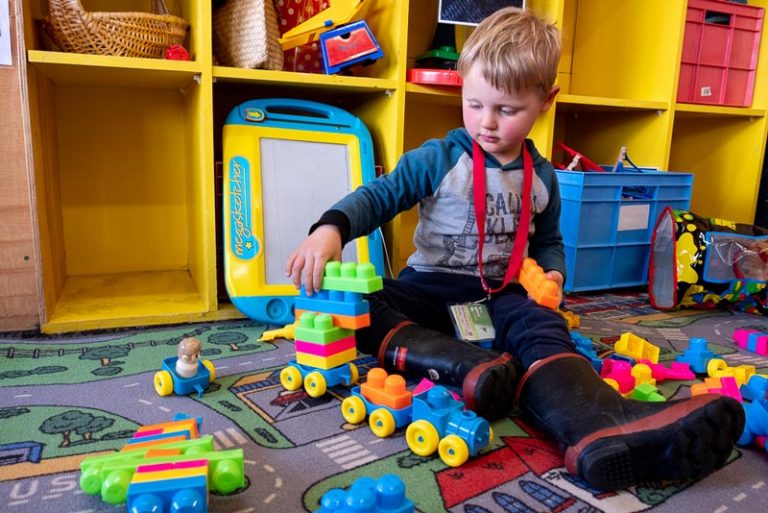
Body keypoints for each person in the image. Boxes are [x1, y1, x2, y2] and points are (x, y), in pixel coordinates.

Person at [285, 7, 744, 491]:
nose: (486, 122)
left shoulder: (543, 177)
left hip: (498, 297)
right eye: (474, 103)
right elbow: (380, 196)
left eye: (506, 110)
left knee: (541, 325)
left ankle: (596, 423)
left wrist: (553, 275)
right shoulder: (439, 158)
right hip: (428, 293)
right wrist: (331, 228)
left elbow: (548, 241)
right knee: (358, 307)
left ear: (546, 101)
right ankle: (462, 365)